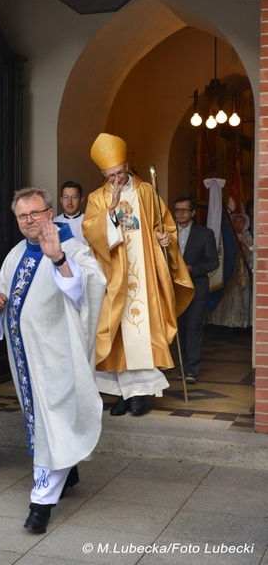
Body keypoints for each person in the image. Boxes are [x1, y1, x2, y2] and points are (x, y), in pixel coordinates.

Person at [0, 186, 106, 534]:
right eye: (22, 216)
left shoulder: (72, 246)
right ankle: (67, 471)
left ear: (50, 212)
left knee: (53, 418)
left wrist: (58, 260)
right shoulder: (14, 253)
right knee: (43, 418)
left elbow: (90, 286)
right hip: (26, 358)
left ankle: (41, 504)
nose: (29, 221)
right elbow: (3, 286)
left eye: (36, 213)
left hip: (58, 356)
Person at [83, 133, 194, 417]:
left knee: (141, 335)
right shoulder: (98, 198)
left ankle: (139, 397)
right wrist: (111, 209)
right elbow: (91, 232)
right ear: (102, 174)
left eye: (121, 173)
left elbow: (164, 224)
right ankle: (121, 395)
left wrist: (166, 239)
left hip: (144, 274)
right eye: (111, 176)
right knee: (118, 336)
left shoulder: (145, 191)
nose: (117, 179)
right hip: (114, 278)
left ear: (127, 166)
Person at [174, 196, 219, 384]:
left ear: (193, 213)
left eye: (184, 210)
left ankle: (191, 369)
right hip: (174, 289)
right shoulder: (165, 233)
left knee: (193, 328)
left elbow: (212, 262)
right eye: (177, 210)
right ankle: (181, 366)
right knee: (179, 328)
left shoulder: (205, 234)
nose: (180, 214)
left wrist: (192, 269)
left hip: (196, 289)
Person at [206, 212, 253, 328]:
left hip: (243, 269)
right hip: (230, 269)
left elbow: (250, 253)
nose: (238, 224)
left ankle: (241, 322)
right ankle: (225, 321)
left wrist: (244, 251)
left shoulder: (248, 237)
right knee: (228, 293)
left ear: (245, 223)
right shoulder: (228, 237)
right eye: (235, 222)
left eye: (241, 222)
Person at [53, 180, 88, 244]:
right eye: (66, 197)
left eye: (74, 198)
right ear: (61, 200)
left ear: (81, 200)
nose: (69, 202)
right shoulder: (54, 223)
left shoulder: (88, 222)